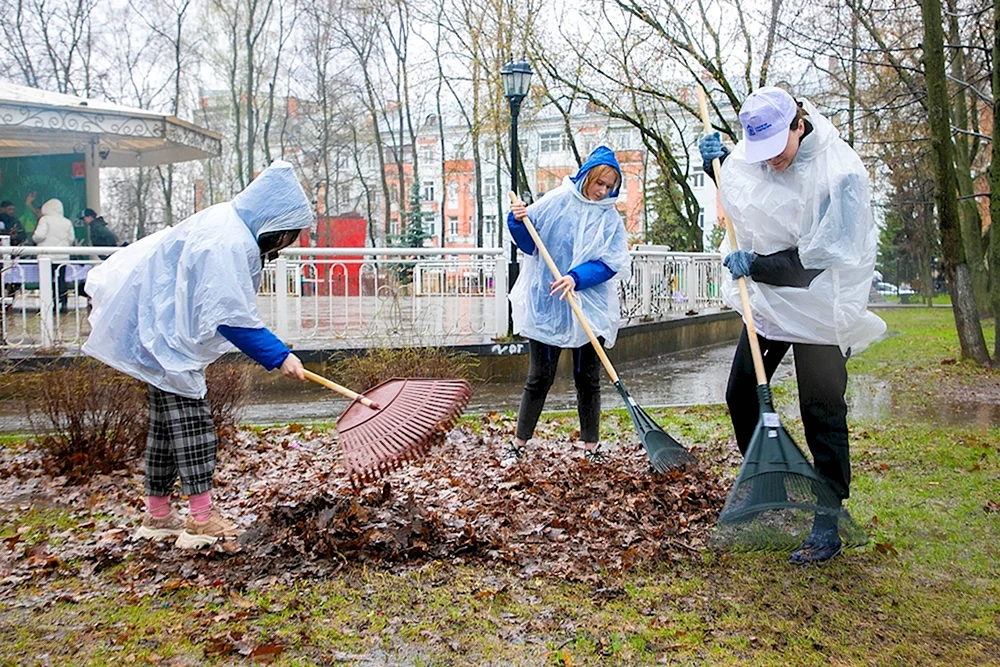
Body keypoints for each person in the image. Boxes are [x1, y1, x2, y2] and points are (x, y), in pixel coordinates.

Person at [82, 160, 311, 549]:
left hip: (156, 331)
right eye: (288, 235)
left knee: (166, 431)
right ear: (275, 222)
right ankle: (200, 521)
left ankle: (157, 516)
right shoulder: (228, 240)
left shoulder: (225, 222)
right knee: (194, 432)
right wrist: (280, 356)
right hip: (165, 340)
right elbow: (231, 317)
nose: (285, 243)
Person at [699, 86, 886, 564]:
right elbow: (742, 195)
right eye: (757, 153)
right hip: (769, 300)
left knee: (820, 407)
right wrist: (714, 166)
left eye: (776, 150)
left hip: (822, 306)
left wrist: (755, 265)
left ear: (799, 125)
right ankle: (769, 480)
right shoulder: (760, 154)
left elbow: (817, 261)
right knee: (741, 393)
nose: (769, 162)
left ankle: (828, 518)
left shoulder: (841, 174)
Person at [503, 146, 631, 467]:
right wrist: (516, 221)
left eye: (609, 186)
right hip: (548, 302)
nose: (603, 191)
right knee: (540, 376)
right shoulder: (558, 200)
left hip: (590, 305)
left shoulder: (610, 219)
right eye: (599, 183)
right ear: (588, 176)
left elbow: (610, 263)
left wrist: (576, 278)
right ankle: (519, 443)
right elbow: (531, 241)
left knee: (587, 378)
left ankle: (591, 446)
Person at [32, 198, 76, 313]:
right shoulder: (67, 222)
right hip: (62, 257)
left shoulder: (45, 220)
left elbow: (39, 236)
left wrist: (34, 238)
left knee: (47, 281)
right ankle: (63, 302)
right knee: (61, 280)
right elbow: (71, 239)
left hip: (47, 257)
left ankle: (48, 304)